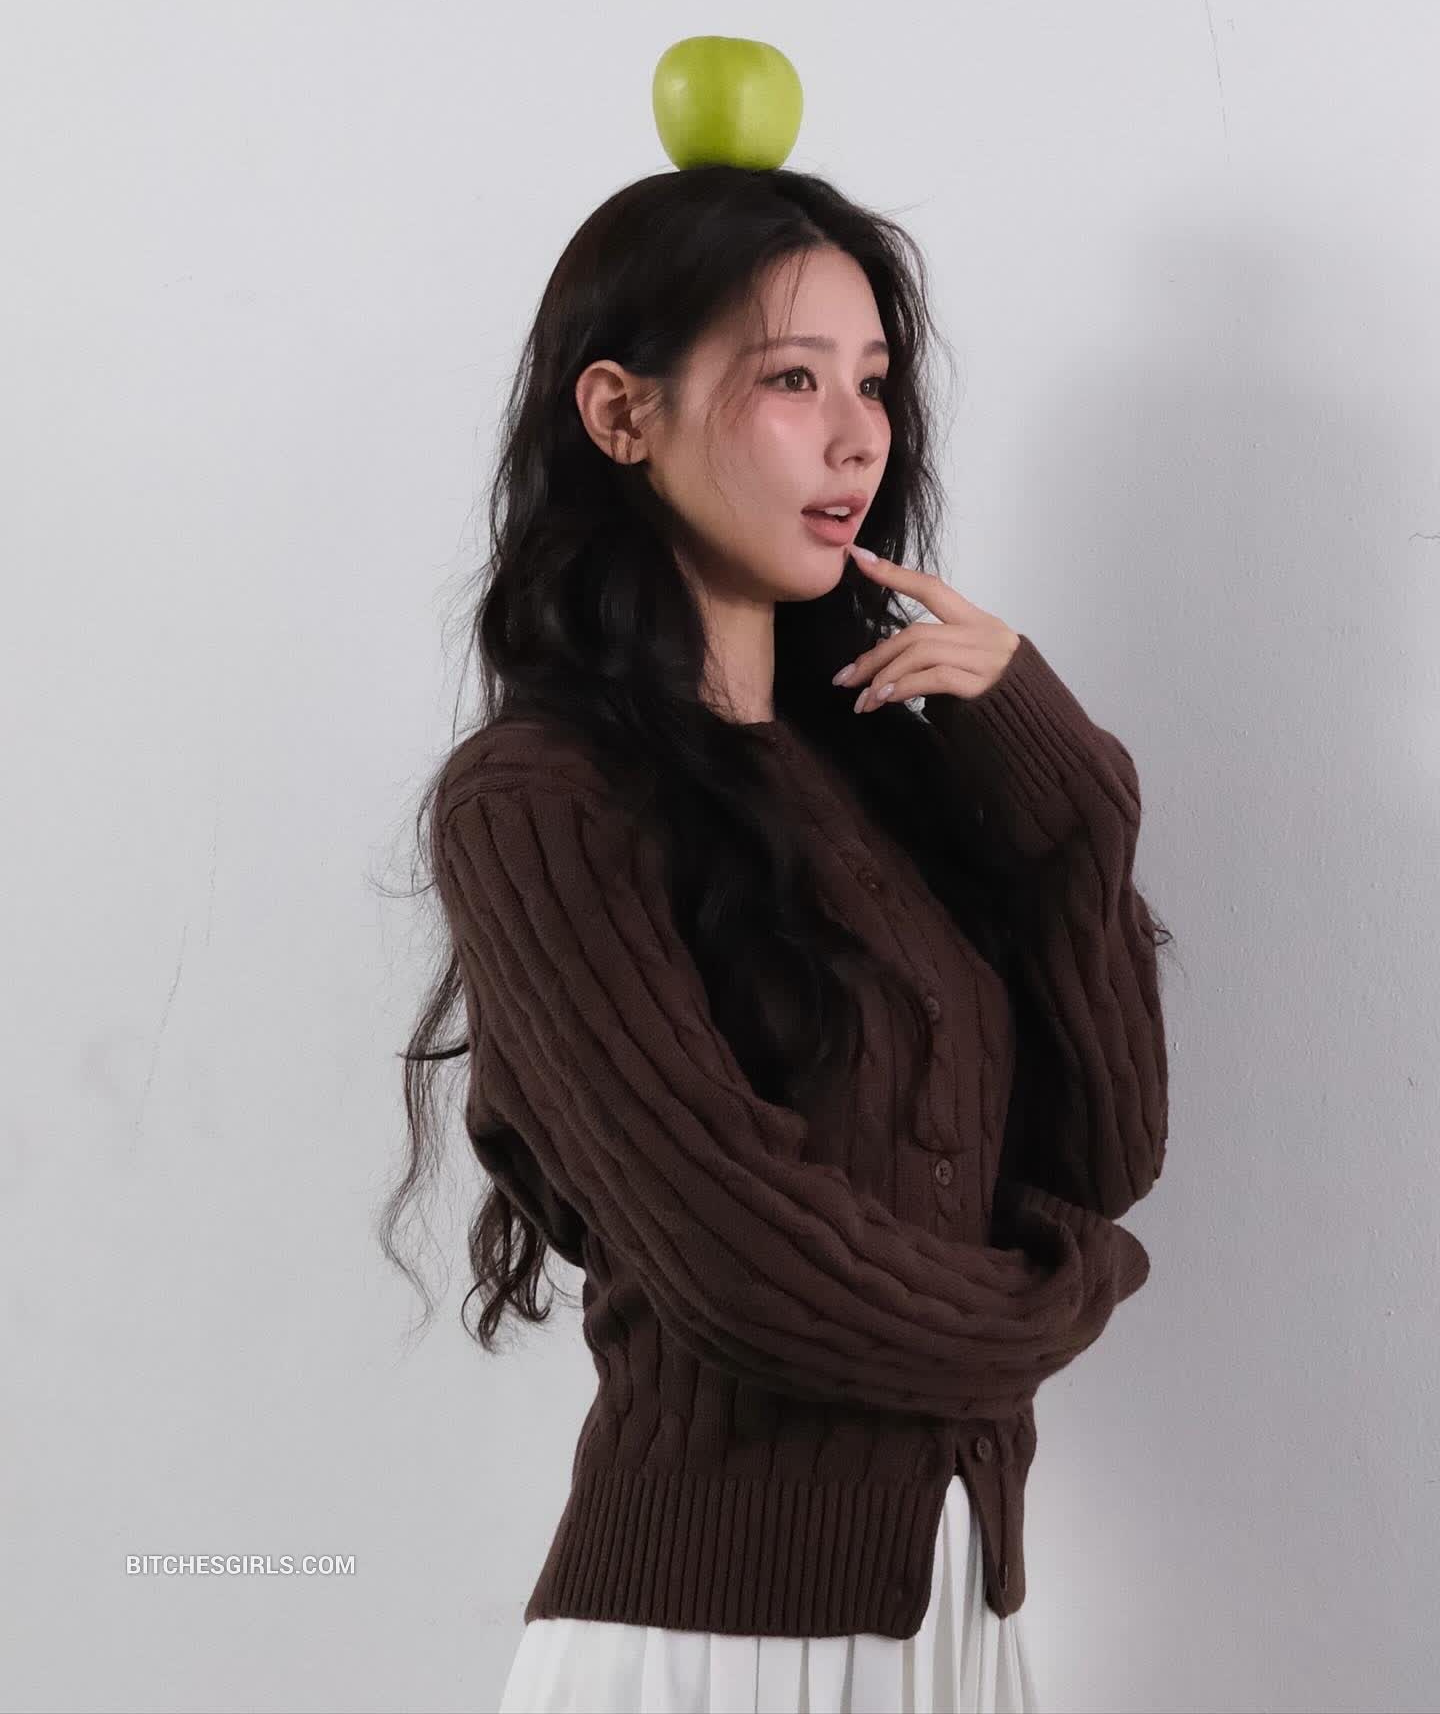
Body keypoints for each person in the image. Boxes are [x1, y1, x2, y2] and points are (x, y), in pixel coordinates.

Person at [380, 163, 1173, 1714]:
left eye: (874, 380)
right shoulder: (539, 799)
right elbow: (748, 1268)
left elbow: (1101, 1157)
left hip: (958, 1623)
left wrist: (1071, 803)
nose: (860, 435)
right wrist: (1059, 1301)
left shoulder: (881, 777)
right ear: (622, 414)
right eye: (793, 380)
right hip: (711, 1640)